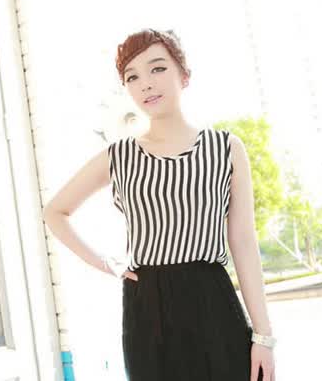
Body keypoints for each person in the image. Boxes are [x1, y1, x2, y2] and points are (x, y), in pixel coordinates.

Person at [43, 28, 276, 381]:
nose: (146, 84)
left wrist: (263, 336)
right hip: (147, 309)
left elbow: (243, 242)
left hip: (212, 300)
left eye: (157, 68)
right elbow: (55, 212)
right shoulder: (119, 156)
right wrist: (108, 264)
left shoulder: (226, 149)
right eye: (132, 77)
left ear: (184, 75)